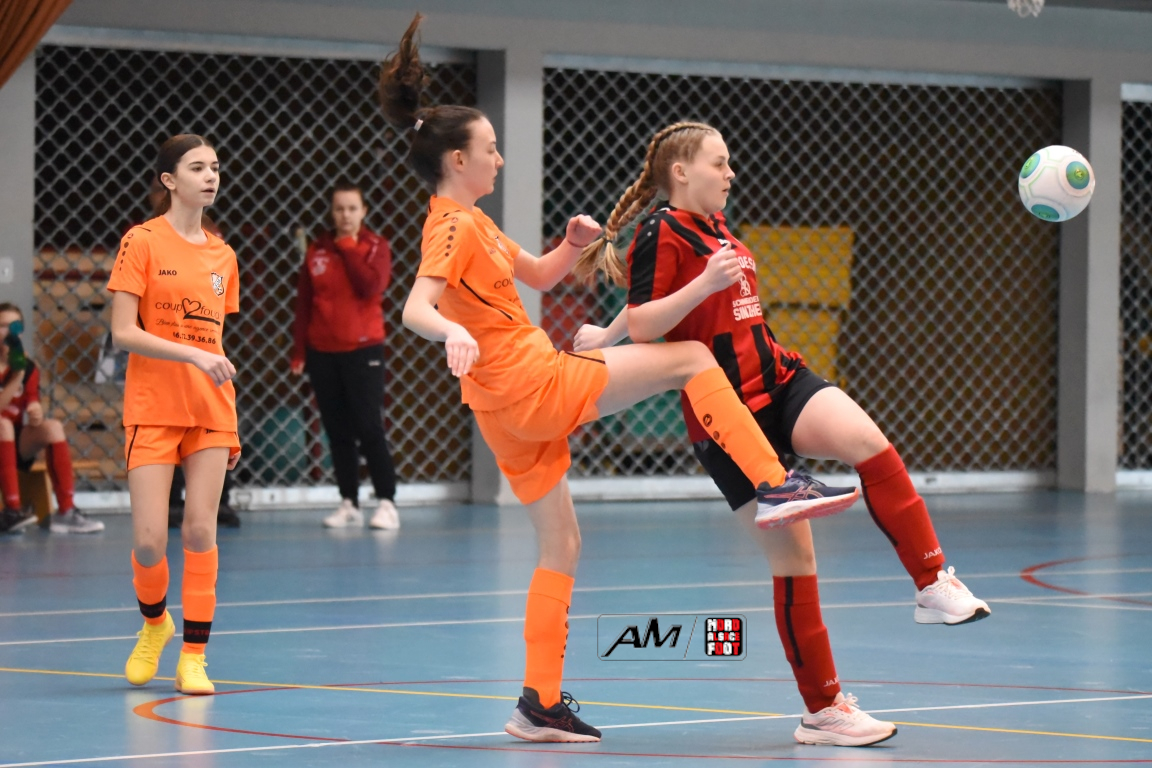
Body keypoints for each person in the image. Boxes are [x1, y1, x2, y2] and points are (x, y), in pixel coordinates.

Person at [376, 15, 860, 744]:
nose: (500, 158)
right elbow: (417, 305)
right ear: (457, 159)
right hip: (533, 382)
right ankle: (775, 482)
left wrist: (570, 246)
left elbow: (539, 276)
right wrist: (452, 332)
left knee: (561, 546)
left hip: (502, 413)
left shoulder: (474, 222)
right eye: (491, 148)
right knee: (691, 359)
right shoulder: (450, 225)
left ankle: (538, 705)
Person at [574, 121, 992, 745]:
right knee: (796, 561)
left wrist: (606, 332)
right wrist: (645, 317)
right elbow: (646, 319)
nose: (730, 172)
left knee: (870, 444)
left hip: (780, 377)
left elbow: (649, 307)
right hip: (727, 414)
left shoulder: (715, 227)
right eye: (719, 162)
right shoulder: (661, 229)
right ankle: (823, 712)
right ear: (681, 171)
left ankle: (932, 584)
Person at [108, 133, 241, 695]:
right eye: (197, 168)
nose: (210, 176)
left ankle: (194, 656)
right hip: (152, 405)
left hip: (210, 408)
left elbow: (214, 337)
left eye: (215, 167)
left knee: (200, 528)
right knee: (148, 541)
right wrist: (191, 354)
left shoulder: (223, 255)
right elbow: (122, 332)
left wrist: (207, 364)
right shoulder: (140, 242)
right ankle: (155, 623)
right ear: (169, 180)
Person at [290, 180, 399, 530]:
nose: (345, 215)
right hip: (323, 351)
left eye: (352, 208)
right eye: (339, 209)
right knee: (336, 430)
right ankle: (348, 501)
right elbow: (304, 303)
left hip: (363, 349)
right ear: (331, 212)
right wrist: (299, 351)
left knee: (369, 425)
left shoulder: (375, 247)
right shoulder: (317, 250)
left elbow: (371, 286)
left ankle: (386, 501)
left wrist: (349, 249)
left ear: (363, 211)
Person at [0, 302, 103, 534]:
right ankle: (12, 511)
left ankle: (66, 511)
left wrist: (35, 410)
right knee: (3, 424)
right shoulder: (18, 370)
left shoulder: (28, 367)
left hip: (11, 443)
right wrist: (16, 377)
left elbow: (31, 399)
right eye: (3, 326)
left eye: (14, 326)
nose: (9, 332)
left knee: (53, 427)